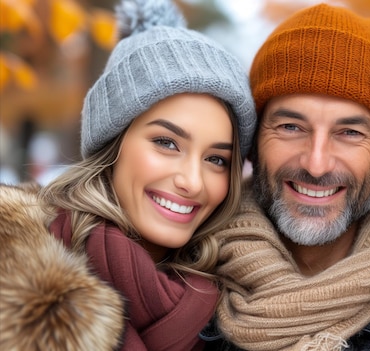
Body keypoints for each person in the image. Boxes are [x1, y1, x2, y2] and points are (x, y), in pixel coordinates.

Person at [0, 0, 256, 349]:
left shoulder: (239, 309)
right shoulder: (11, 263)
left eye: (216, 160)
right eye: (167, 143)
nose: (193, 182)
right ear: (113, 144)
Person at [200, 4, 370, 351]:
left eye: (349, 132)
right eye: (291, 127)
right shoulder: (185, 278)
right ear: (252, 143)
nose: (316, 164)